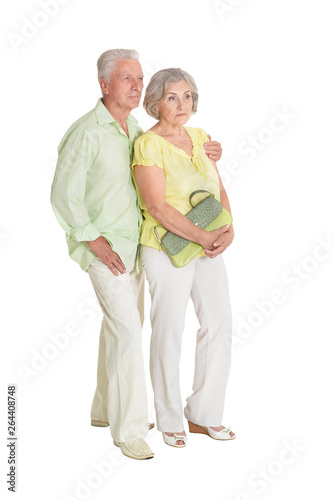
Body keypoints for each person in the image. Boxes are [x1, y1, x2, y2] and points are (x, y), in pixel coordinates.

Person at [50, 50, 223, 459]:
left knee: (121, 329)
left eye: (140, 78)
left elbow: (171, 167)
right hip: (104, 248)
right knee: (129, 331)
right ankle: (128, 429)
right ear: (104, 85)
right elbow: (62, 194)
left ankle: (103, 409)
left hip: (137, 248)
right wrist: (93, 241)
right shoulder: (87, 132)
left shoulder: (135, 131)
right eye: (126, 77)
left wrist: (209, 153)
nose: (135, 85)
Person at [131, 68, 236, 448]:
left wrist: (228, 228)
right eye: (172, 97)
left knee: (220, 325)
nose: (182, 104)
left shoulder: (200, 137)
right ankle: (170, 418)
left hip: (207, 244)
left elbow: (217, 188)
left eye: (188, 96)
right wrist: (203, 236)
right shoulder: (147, 144)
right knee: (169, 330)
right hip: (165, 248)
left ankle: (204, 414)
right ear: (155, 102)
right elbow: (156, 207)